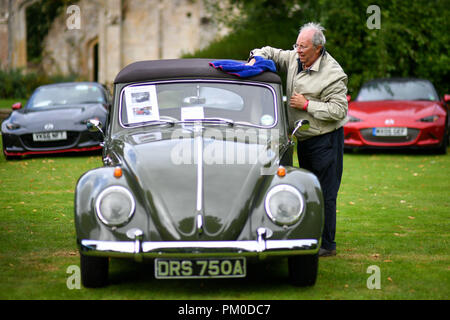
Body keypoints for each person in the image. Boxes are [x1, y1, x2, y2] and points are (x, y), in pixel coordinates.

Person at [247, 22, 348, 257]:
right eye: (297, 45)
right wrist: (256, 58)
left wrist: (306, 105)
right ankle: (309, 234)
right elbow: (270, 52)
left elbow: (339, 111)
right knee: (306, 189)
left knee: (325, 193)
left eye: (303, 47)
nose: (298, 51)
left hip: (326, 141)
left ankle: (327, 245)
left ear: (318, 48)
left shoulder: (333, 74)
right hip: (304, 140)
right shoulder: (295, 58)